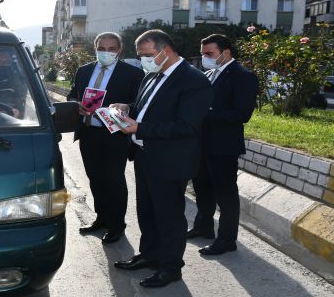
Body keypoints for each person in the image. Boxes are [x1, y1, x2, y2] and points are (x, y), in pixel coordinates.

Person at [111, 30, 212, 288]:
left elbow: (186, 126)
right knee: (147, 212)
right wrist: (125, 109)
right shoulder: (152, 76)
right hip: (145, 155)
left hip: (170, 160)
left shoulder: (194, 80)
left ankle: (170, 268)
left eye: (147, 55)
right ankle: (150, 255)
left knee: (168, 217)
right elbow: (144, 110)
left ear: (165, 51)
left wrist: (138, 129)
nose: (143, 60)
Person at [67, 32, 144, 244]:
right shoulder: (84, 71)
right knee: (96, 179)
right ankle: (102, 218)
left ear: (119, 51)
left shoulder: (132, 74)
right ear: (95, 48)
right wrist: (76, 104)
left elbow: (138, 103)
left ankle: (117, 225)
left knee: (114, 180)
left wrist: (124, 107)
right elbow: (73, 93)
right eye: (102, 48)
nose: (106, 52)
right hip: (88, 132)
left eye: (111, 49)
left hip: (115, 135)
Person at [188, 34, 259, 255]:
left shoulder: (243, 76)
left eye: (209, 54)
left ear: (226, 52)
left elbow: (241, 114)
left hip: (223, 146)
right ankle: (204, 226)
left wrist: (204, 115)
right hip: (201, 144)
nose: (205, 58)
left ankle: (227, 239)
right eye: (202, 54)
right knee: (202, 188)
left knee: (225, 194)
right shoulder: (209, 73)